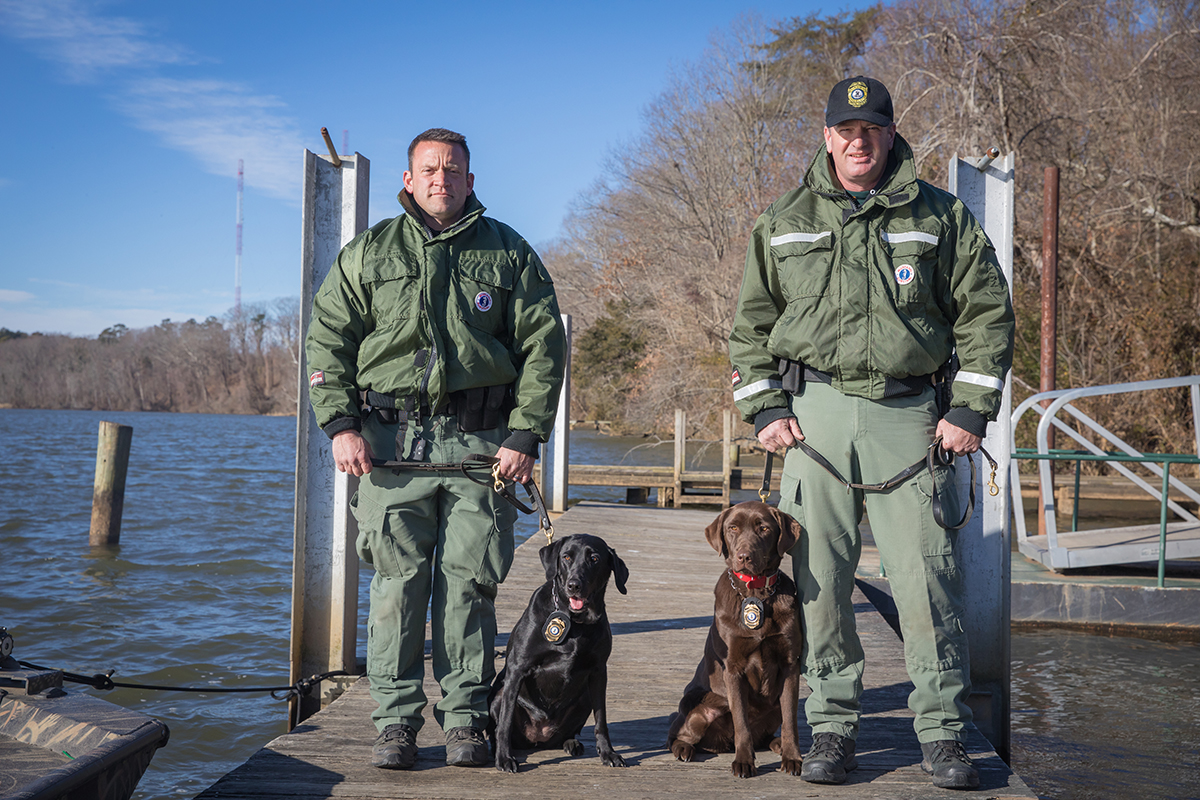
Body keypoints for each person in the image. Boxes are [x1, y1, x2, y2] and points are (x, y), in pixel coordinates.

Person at [729, 76, 1015, 790]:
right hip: (814, 418)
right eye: (846, 130)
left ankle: (944, 733)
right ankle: (830, 729)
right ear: (827, 137)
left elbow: (986, 314)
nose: (859, 141)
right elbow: (751, 327)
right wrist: (765, 409)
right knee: (820, 585)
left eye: (872, 130)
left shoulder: (940, 215)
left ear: (890, 136)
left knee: (927, 580)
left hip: (913, 418)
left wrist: (970, 411)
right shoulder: (784, 217)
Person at [305, 128, 567, 770]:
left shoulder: (509, 252)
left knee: (468, 588)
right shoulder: (368, 253)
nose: (440, 179)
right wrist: (340, 424)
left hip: (483, 451)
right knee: (397, 589)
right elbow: (327, 340)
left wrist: (526, 434)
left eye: (453, 169)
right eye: (429, 169)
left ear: (471, 181)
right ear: (408, 179)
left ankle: (466, 720)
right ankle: (395, 723)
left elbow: (543, 349)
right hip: (390, 448)